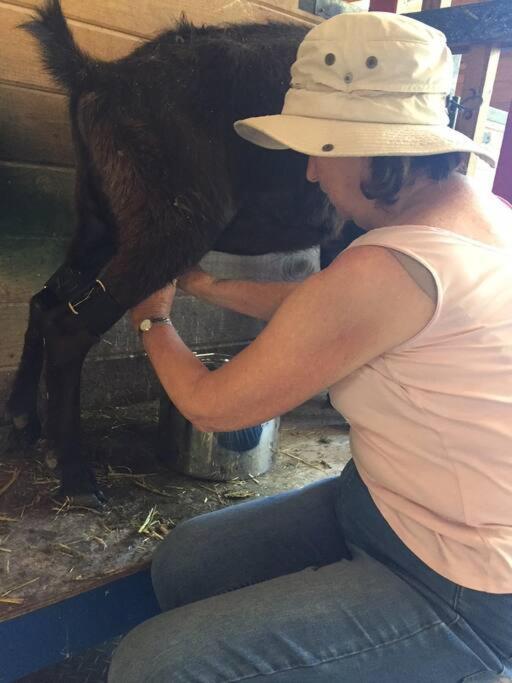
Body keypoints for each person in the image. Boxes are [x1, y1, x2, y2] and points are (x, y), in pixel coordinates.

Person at [108, 11, 512, 683]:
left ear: (376, 147)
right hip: (381, 503)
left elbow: (213, 407)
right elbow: (328, 312)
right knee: (186, 562)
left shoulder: (391, 266)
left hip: (462, 584)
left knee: (150, 666)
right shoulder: (475, 215)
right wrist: (205, 284)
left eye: (320, 148)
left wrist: (153, 320)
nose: (308, 173)